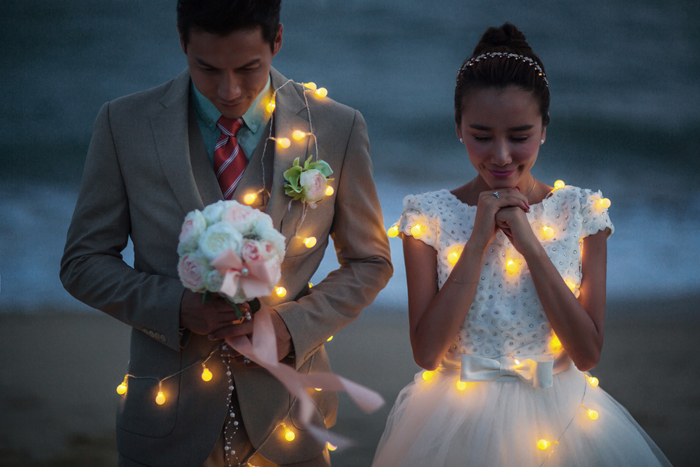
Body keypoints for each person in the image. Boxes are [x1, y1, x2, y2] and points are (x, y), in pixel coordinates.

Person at [60, 1, 392, 466]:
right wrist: (176, 306)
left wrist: (290, 326)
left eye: (248, 68)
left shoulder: (336, 127)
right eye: (208, 68)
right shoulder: (125, 125)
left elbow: (370, 261)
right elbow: (82, 263)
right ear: (182, 43)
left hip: (291, 422)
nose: (229, 89)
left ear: (277, 40)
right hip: (164, 425)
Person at [372, 23, 671, 467]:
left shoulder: (580, 211)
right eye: (481, 135)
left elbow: (587, 354)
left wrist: (530, 245)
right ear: (458, 127)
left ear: (544, 128)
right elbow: (428, 352)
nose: (501, 155)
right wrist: (477, 242)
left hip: (563, 418)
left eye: (519, 135)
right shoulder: (427, 216)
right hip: (452, 419)